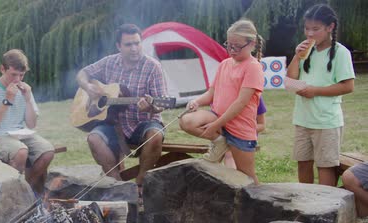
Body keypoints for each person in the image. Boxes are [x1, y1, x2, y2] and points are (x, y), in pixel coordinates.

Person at [76, 23, 167, 199]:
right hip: (114, 122)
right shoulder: (110, 62)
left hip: (143, 122)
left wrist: (152, 106)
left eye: (137, 43)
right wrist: (87, 86)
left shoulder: (153, 67)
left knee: (155, 135)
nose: (134, 48)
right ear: (119, 46)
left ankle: (140, 186)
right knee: (94, 138)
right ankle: (118, 185)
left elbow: (161, 103)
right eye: (128, 44)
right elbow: (82, 73)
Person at [179, 19, 264, 184]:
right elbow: (212, 93)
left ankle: (259, 206)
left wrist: (216, 125)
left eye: (237, 46)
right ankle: (220, 142)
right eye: (229, 45)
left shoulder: (253, 67)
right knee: (186, 121)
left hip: (240, 128)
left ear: (252, 43)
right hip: (217, 117)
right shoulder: (224, 64)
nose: (231, 50)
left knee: (247, 177)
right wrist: (197, 101)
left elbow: (240, 103)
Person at [286, 4, 355, 186]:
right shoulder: (306, 51)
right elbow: (291, 78)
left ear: (330, 27)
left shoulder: (341, 53)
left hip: (326, 121)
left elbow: (348, 86)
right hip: (303, 118)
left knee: (325, 167)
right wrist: (296, 56)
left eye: (315, 29)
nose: (309, 34)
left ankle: (327, 210)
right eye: (306, 28)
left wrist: (315, 91)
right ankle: (306, 206)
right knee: (303, 163)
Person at [0, 49, 55, 195]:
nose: (17, 79)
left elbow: (32, 124)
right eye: (13, 74)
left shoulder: (24, 89)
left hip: (20, 134)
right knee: (21, 152)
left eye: (21, 75)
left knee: (47, 151)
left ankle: (25, 191)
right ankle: (13, 195)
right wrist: (7, 100)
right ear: (2, 69)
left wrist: (27, 99)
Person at [224, 96, 267, 168]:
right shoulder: (223, 94)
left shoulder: (255, 96)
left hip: (246, 138)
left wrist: (243, 130)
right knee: (228, 154)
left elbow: (262, 125)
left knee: (231, 155)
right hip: (226, 135)